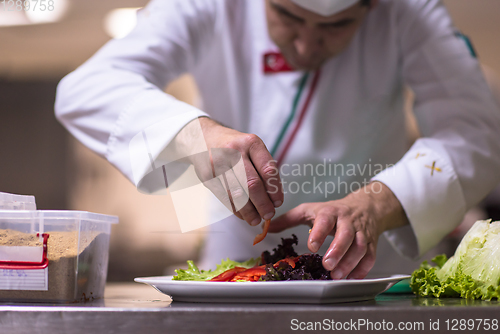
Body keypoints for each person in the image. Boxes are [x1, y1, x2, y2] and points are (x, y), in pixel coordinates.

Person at [55, 0, 500, 278]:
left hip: (369, 271)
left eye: (337, 25)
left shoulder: (410, 12)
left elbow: (475, 132)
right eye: (287, 14)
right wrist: (194, 133)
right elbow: (85, 89)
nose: (307, 46)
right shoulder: (204, 4)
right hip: (235, 266)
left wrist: (377, 205)